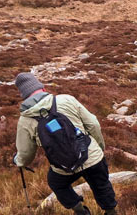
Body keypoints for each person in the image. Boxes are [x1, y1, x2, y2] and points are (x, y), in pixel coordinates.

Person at [13, 73, 117, 215]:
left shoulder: (25, 121)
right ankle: (111, 212)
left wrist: (18, 161)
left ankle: (80, 211)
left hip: (63, 167)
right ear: (42, 88)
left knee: (56, 183)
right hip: (91, 156)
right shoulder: (66, 99)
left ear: (24, 96)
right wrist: (99, 148)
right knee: (102, 185)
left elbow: (25, 154)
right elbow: (93, 124)